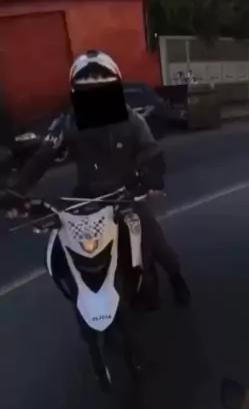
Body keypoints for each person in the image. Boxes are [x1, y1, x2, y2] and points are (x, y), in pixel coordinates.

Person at [9, 50, 190, 306]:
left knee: (154, 240)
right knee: (59, 247)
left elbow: (151, 152)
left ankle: (176, 277)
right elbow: (41, 158)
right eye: (87, 92)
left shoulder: (132, 119)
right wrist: (16, 191)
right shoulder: (68, 123)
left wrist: (152, 175)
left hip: (125, 195)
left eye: (104, 90)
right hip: (86, 200)